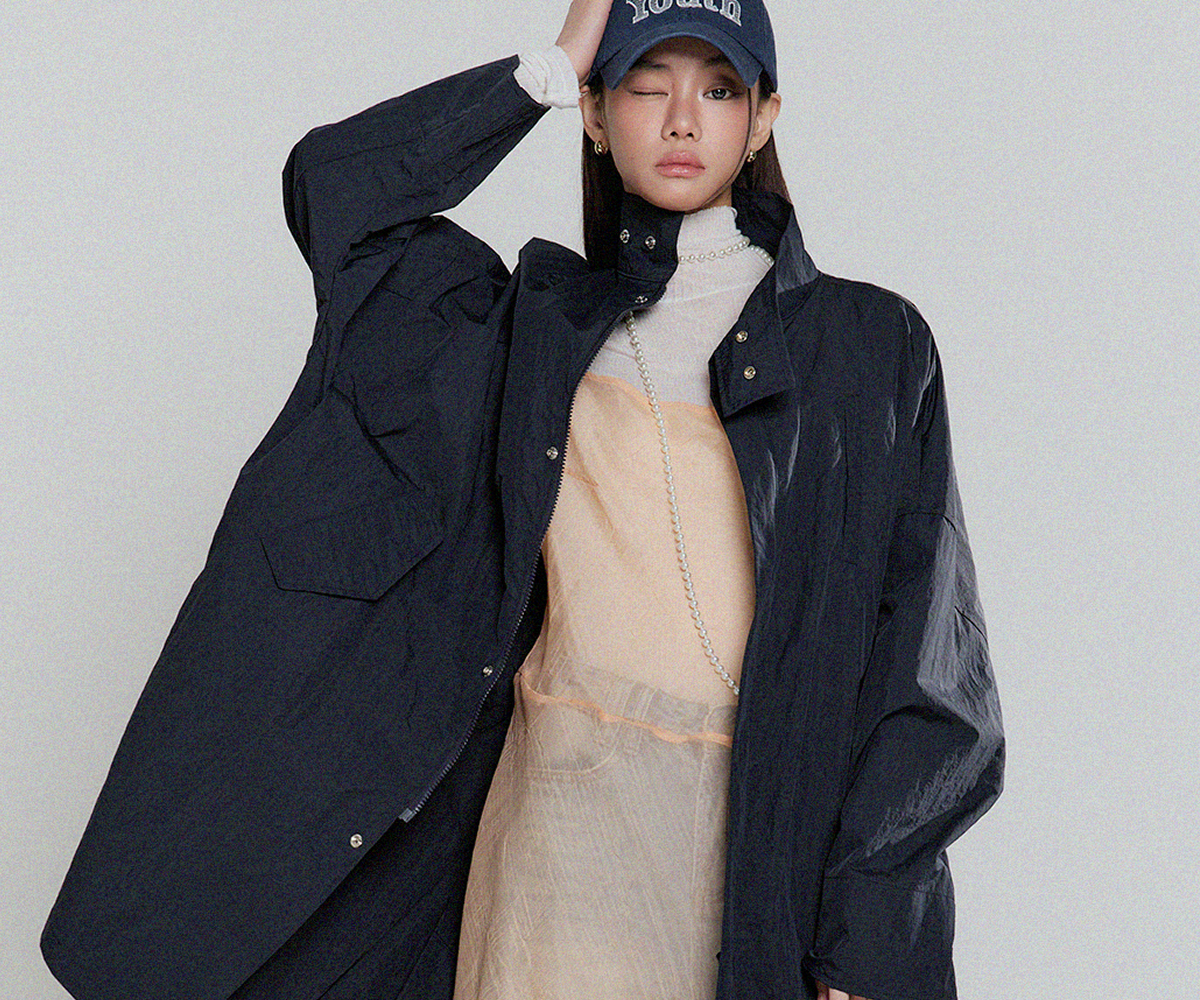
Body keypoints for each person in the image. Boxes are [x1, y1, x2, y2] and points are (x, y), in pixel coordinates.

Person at [41, 2, 1004, 999]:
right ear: (596, 113)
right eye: (645, 84)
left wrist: (867, 943)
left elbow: (927, 675)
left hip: (767, 856)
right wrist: (548, 65)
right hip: (557, 837)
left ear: (763, 117)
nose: (682, 117)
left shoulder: (872, 350)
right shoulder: (531, 331)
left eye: (719, 89)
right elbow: (339, 194)